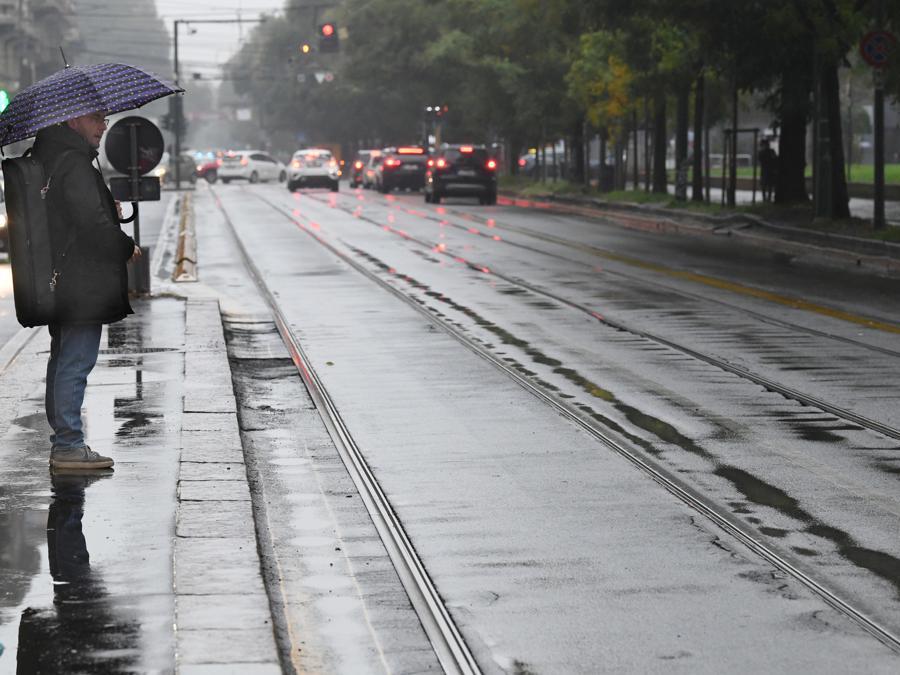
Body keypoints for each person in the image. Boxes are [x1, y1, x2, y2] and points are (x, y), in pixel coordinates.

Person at [32, 112, 141, 470]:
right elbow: (91, 227)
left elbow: (75, 216)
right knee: (76, 361)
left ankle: (65, 443)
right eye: (96, 118)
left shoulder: (52, 157)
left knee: (63, 359)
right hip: (81, 282)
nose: (104, 125)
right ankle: (68, 445)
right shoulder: (74, 163)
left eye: (105, 118)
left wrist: (107, 210)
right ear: (72, 119)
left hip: (63, 278)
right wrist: (124, 246)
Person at [758, 138, 778, 203]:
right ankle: (766, 198)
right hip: (768, 170)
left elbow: (774, 160)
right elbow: (775, 160)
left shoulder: (765, 152)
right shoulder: (768, 152)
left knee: (767, 185)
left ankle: (766, 198)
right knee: (767, 185)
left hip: (767, 171)